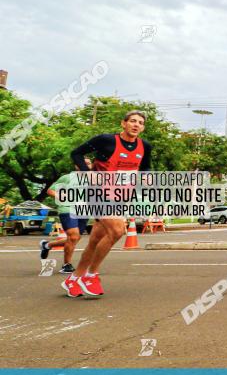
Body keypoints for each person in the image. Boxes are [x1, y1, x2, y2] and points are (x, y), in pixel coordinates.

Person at [62, 111, 152, 298]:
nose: (136, 125)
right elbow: (76, 153)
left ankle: (74, 278)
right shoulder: (106, 140)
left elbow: (144, 168)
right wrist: (88, 172)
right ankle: (91, 275)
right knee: (118, 230)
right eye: (133, 121)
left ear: (143, 127)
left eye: (140, 123)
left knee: (95, 241)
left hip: (119, 196)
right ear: (123, 123)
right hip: (98, 193)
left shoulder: (145, 146)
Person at [40, 158, 93, 273]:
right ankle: (66, 265)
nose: (86, 165)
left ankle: (47, 245)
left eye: (88, 163)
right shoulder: (68, 178)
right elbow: (50, 190)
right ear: (77, 166)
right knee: (73, 237)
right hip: (68, 208)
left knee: (75, 238)